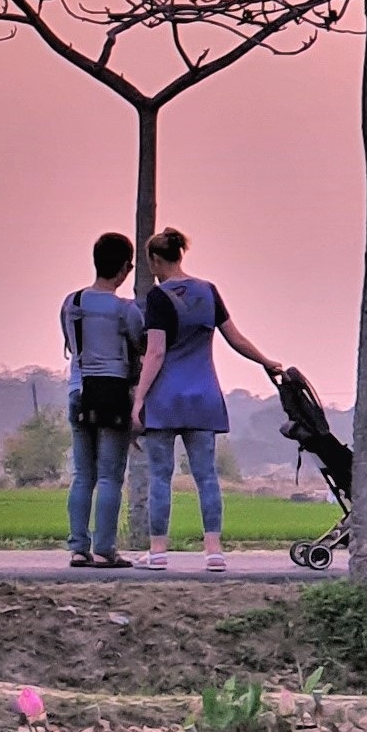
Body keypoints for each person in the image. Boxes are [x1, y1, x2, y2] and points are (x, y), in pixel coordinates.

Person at [128, 228, 282, 571]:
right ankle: (214, 552)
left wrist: (138, 401)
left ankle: (158, 552)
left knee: (160, 476)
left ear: (155, 260)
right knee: (207, 476)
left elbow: (154, 354)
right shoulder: (208, 291)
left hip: (166, 397)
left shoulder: (158, 297)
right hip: (204, 396)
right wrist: (266, 361)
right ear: (180, 254)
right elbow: (235, 338)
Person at [60, 232, 141, 568]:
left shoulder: (73, 302)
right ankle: (105, 550)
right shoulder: (126, 310)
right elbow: (140, 346)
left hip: (79, 391)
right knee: (110, 476)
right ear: (125, 268)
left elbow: (69, 343)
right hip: (114, 393)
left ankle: (78, 547)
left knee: (83, 475)